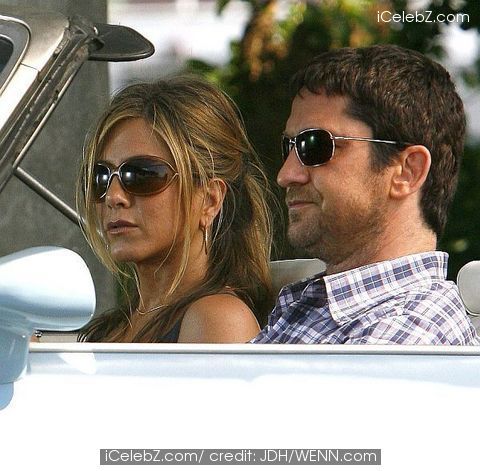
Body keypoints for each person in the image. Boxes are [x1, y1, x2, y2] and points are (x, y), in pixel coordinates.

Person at [252, 44, 479, 345]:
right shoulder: (314, 304)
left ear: (407, 171)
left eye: (315, 145)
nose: (286, 174)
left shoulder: (407, 335)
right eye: (289, 146)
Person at [77, 75, 273, 343]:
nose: (113, 196)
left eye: (142, 175)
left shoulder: (217, 318)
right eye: (100, 177)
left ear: (210, 200)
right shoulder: (113, 328)